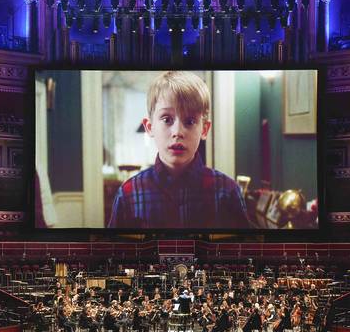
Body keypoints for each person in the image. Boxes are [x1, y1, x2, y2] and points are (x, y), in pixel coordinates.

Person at [107, 71, 250, 229]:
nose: (177, 132)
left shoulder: (227, 192)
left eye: (189, 121)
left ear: (204, 129)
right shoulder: (129, 193)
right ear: (150, 127)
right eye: (167, 119)